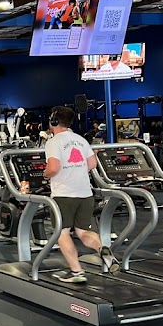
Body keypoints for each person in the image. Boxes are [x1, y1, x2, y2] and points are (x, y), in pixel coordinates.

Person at [43, 106, 118, 283]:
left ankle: (77, 272)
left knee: (62, 233)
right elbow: (92, 164)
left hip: (64, 194)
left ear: (54, 121)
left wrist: (45, 174)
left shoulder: (53, 142)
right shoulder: (80, 140)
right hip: (85, 193)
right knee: (83, 232)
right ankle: (101, 249)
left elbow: (53, 168)